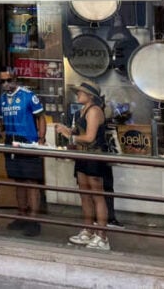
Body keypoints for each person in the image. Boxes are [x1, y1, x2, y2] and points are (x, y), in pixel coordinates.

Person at [54, 81, 111, 251]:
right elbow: (81, 134)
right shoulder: (82, 111)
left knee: (97, 196)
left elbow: (90, 137)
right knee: (85, 194)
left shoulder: (94, 111)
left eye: (81, 92)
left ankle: (102, 236)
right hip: (83, 156)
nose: (77, 94)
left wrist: (69, 136)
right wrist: (68, 131)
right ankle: (88, 229)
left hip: (94, 156)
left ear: (90, 96)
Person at [0, 70, 46, 237]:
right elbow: (1, 120)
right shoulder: (2, 99)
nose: (5, 84)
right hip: (10, 141)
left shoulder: (28, 95)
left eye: (8, 80)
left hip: (28, 140)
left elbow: (41, 117)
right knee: (18, 180)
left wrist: (41, 138)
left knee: (31, 181)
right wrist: (0, 129)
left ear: (15, 79)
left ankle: (34, 220)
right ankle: (22, 215)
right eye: (2, 81)